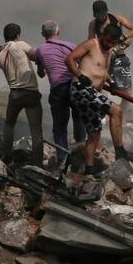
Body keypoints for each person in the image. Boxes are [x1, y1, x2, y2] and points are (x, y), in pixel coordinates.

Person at [66, 23, 133, 176]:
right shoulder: (91, 44)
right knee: (116, 110)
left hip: (91, 93)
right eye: (108, 41)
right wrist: (80, 76)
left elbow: (101, 70)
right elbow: (69, 59)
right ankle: (120, 152)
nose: (109, 44)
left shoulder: (108, 51)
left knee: (94, 133)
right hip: (81, 90)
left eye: (113, 42)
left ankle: (89, 171)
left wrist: (112, 82)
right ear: (103, 35)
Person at [34, 20, 84, 167]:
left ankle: (63, 160)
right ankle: (81, 154)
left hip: (58, 90)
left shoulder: (40, 51)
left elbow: (41, 73)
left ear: (43, 34)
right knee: (78, 118)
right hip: (75, 86)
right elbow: (81, 63)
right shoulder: (70, 46)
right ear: (58, 32)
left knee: (59, 127)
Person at [0, 23, 43, 166]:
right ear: (18, 35)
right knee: (36, 129)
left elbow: (10, 59)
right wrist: (41, 68)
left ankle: (6, 157)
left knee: (9, 124)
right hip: (31, 93)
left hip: (15, 94)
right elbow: (36, 55)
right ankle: (37, 163)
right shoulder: (20, 45)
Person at [87, 0, 133, 93]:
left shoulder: (116, 18)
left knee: (126, 90)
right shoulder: (93, 24)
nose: (101, 16)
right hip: (103, 57)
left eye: (102, 13)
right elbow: (90, 42)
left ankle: (123, 107)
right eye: (98, 14)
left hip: (118, 55)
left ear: (106, 11)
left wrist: (122, 37)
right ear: (95, 14)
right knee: (100, 85)